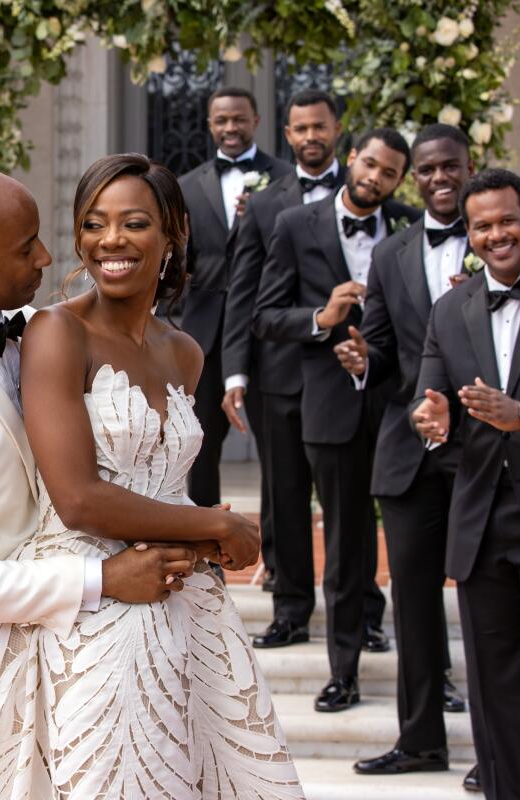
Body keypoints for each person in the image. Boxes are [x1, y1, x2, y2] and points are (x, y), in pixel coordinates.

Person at [0, 163, 263, 800]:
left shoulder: (37, 330)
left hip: (74, 650)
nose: (48, 256)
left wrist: (188, 526)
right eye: (26, 247)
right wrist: (103, 578)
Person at [0, 154, 300, 798]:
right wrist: (219, 522)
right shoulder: (57, 332)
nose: (110, 241)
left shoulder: (185, 351)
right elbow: (77, 500)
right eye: (93, 224)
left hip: (188, 605)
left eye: (135, 223)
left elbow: (161, 484)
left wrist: (203, 540)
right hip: (95, 608)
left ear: (173, 232)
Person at [255, 129, 418, 713]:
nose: (375, 177)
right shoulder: (297, 225)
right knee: (346, 543)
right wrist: (321, 319)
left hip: (400, 402)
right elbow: (267, 315)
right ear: (354, 159)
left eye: (389, 172)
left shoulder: (409, 226)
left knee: (415, 542)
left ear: (399, 181)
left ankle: (428, 674)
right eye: (370, 163)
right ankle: (342, 672)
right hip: (330, 402)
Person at [335, 125, 474, 779]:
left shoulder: (501, 240)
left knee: (491, 602)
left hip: (485, 452)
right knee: (414, 605)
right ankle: (421, 741)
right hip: (409, 451)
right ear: (412, 178)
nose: (439, 179)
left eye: (452, 167)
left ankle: (504, 748)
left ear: (471, 168)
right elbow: (388, 350)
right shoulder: (391, 254)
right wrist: (365, 360)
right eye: (427, 170)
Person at [226, 91, 384, 650]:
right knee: (284, 496)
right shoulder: (267, 205)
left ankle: (365, 611)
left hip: (355, 378)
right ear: (287, 135)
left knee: (354, 502)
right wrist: (235, 374)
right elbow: (245, 295)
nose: (311, 136)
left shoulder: (377, 196)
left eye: (320, 126)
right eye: (300, 129)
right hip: (283, 376)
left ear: (339, 128)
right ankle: (290, 610)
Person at [412, 168, 520, 799]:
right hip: (484, 528)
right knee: (495, 694)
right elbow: (427, 402)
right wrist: (429, 420)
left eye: (507, 220)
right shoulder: (449, 310)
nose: (496, 234)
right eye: (481, 226)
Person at [178, 87, 292, 577]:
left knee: (281, 454)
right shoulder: (186, 184)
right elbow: (177, 259)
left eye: (239, 119)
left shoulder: (285, 179)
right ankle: (210, 558)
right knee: (200, 449)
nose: (230, 127)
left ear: (256, 120)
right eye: (221, 120)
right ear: (209, 123)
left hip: (267, 333)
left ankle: (282, 564)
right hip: (204, 336)